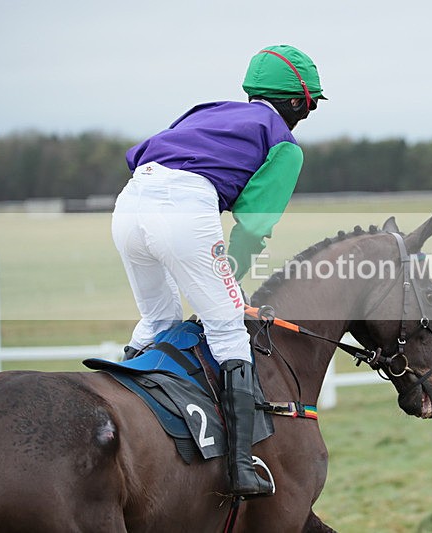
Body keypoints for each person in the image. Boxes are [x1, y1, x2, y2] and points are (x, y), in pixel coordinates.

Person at [111, 44, 324, 497]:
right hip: (185, 208)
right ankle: (241, 467)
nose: (307, 114)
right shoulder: (284, 145)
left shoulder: (206, 110)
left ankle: (118, 407)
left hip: (129, 202)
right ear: (294, 100)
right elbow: (253, 227)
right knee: (228, 327)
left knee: (158, 320)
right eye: (309, 104)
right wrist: (232, 282)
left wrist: (216, 277)